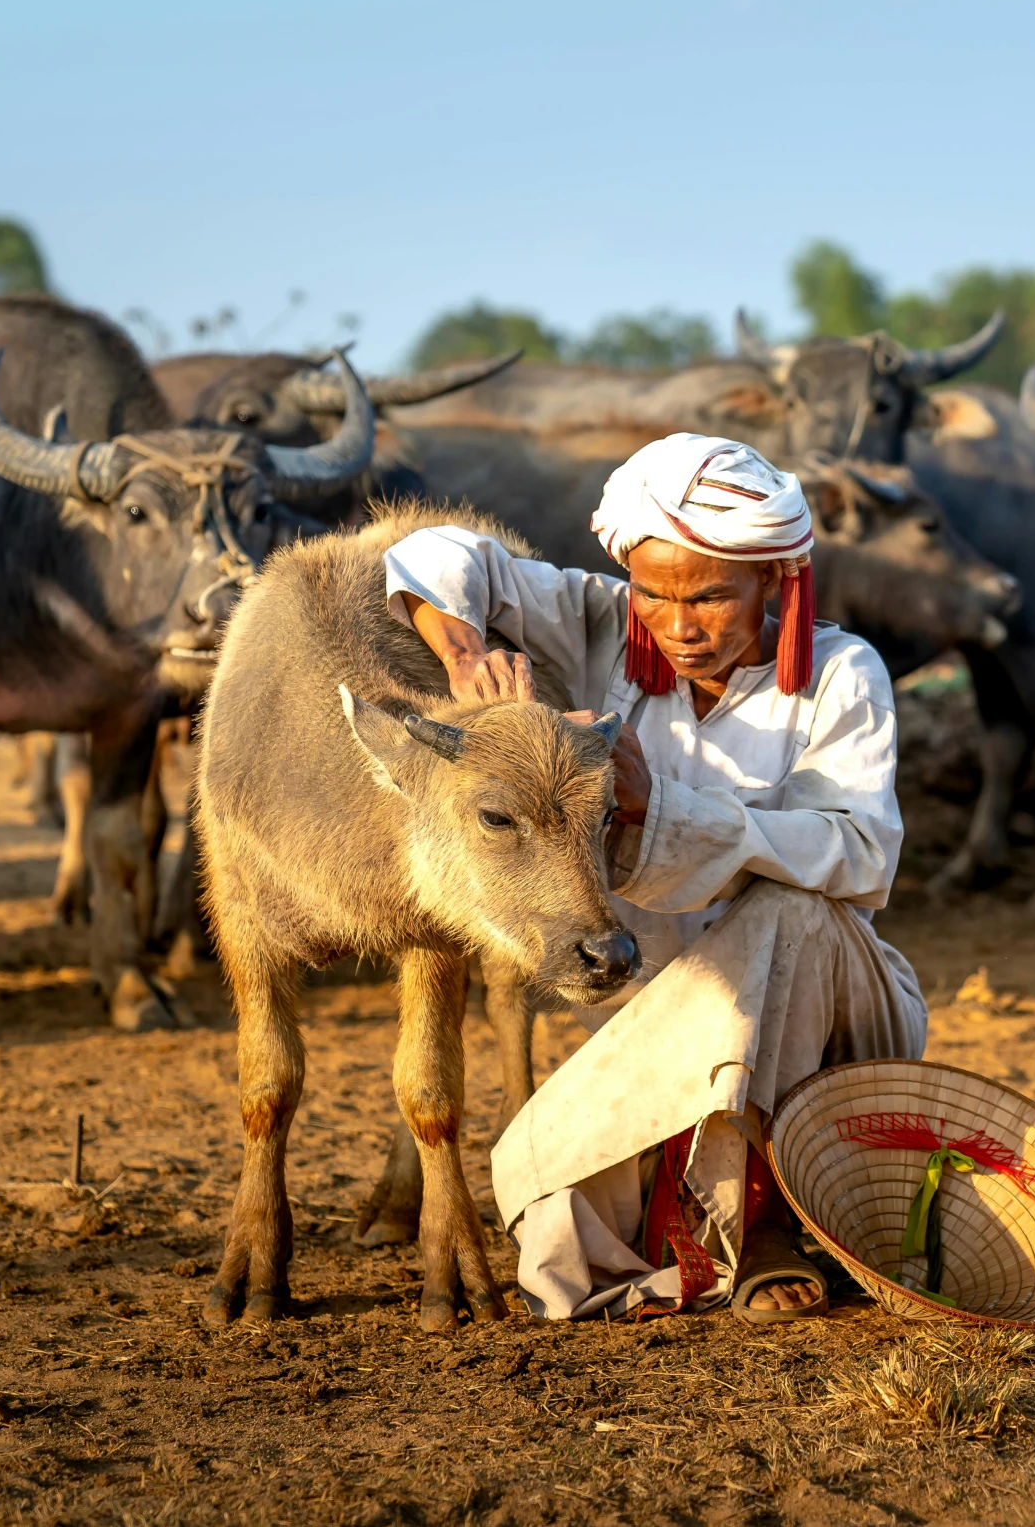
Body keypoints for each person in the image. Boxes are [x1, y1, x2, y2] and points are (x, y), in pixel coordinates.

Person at [382, 432, 926, 1320]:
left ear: (774, 582)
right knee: (550, 1218)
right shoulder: (604, 622)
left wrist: (660, 804)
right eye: (655, 593)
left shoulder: (842, 673)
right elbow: (434, 554)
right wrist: (464, 659)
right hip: (668, 1009)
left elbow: (861, 854)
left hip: (827, 1014)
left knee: (792, 909)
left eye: (711, 594)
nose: (678, 626)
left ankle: (769, 1218)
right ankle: (689, 1196)